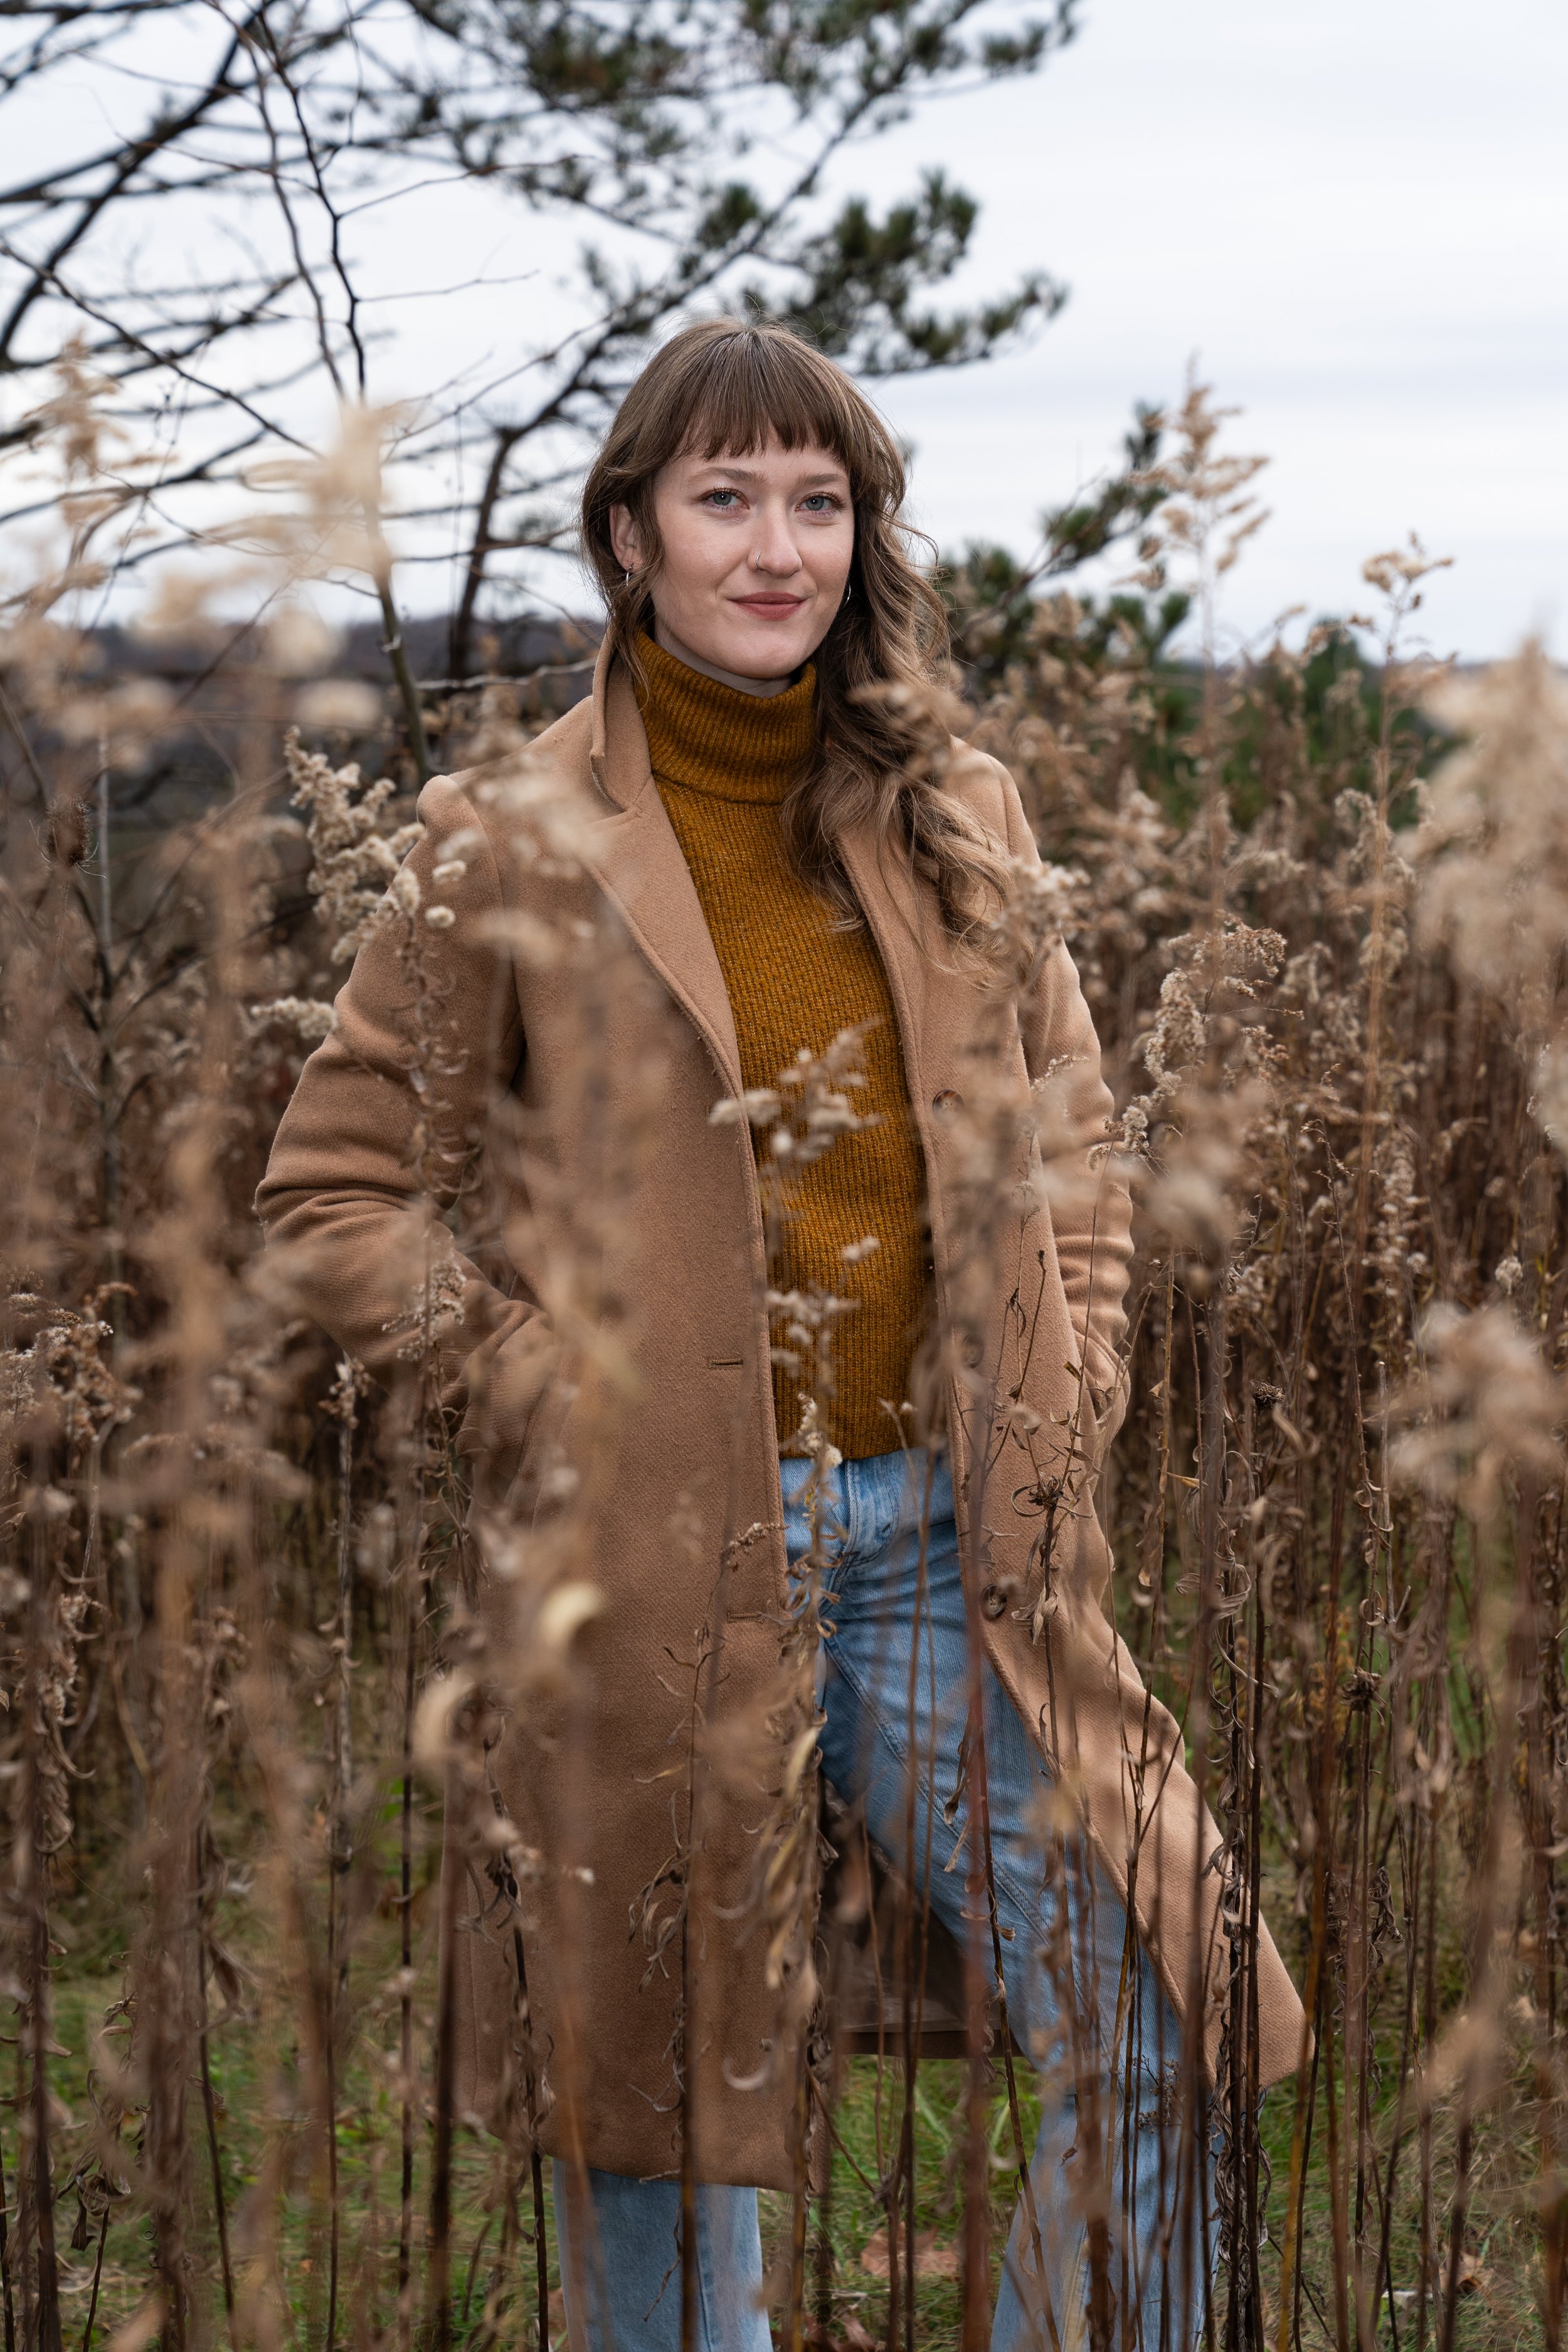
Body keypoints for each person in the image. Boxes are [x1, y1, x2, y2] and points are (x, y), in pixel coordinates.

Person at [258, 319, 1304, 2349]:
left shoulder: (955, 810)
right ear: (630, 537)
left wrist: (1068, 1382)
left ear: (862, 532)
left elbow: (1074, 1151)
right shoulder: (512, 835)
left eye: (816, 501)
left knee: (1177, 2000)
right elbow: (330, 1199)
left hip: (944, 1552)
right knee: (655, 2108)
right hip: (654, 1571)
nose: (775, 545)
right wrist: (547, 1391)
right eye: (723, 498)